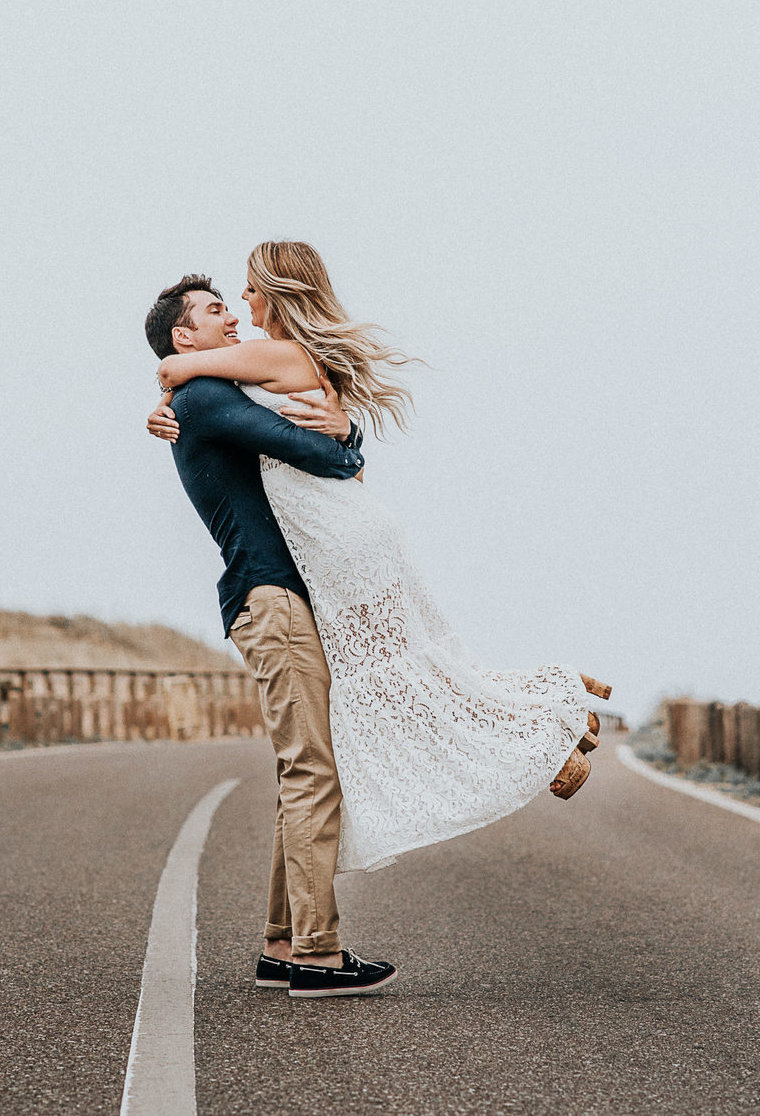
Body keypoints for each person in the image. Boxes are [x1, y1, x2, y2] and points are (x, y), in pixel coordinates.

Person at [150, 242, 610, 879]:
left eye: (249, 292)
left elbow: (183, 372)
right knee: (405, 665)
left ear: (279, 292)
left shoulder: (268, 357)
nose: (242, 307)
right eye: (223, 304)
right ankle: (550, 712)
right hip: (348, 531)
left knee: (393, 678)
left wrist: (170, 387)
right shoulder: (265, 367)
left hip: (337, 538)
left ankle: (544, 728)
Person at [143, 274, 398, 1000]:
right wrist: (344, 441)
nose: (231, 317)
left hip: (278, 599)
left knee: (304, 771)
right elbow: (312, 451)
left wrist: (342, 432)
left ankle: (283, 943)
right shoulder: (203, 399)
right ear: (182, 336)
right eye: (214, 310)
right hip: (271, 599)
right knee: (312, 770)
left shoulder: (198, 393)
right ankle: (317, 954)